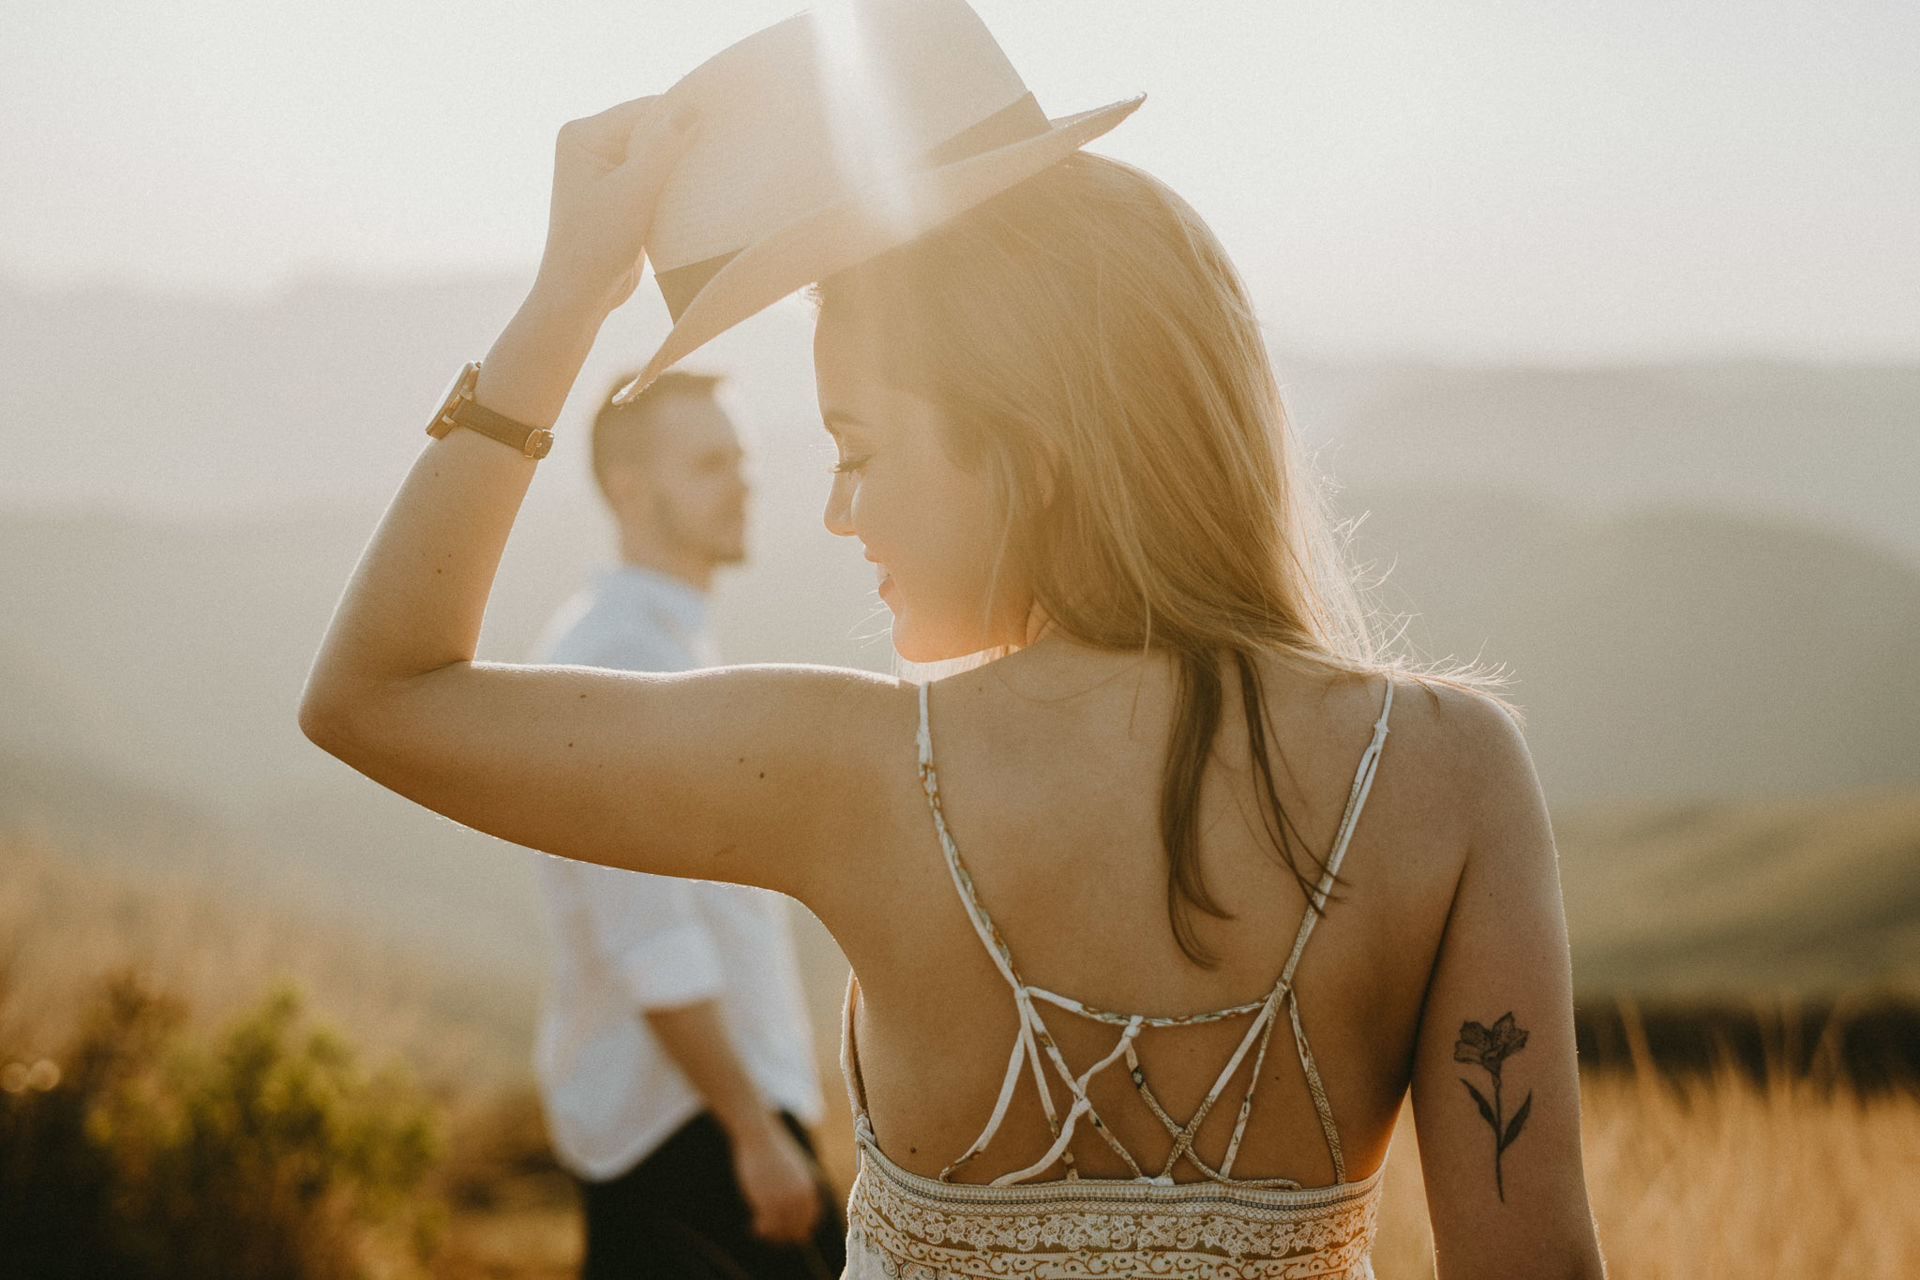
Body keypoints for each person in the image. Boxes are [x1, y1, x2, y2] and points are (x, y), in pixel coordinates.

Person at [302, 3, 1607, 1275]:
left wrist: (566, 301)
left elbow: (376, 693)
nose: (833, 508)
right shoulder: (1444, 775)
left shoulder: (856, 768)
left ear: (1027, 452)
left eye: (860, 449)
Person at [527, 371, 843, 1278]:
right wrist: (753, 1133)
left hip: (693, 1112)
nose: (743, 482)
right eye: (710, 463)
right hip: (685, 1124)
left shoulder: (659, 643)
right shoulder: (624, 661)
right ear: (630, 488)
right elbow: (649, 938)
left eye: (741, 457)